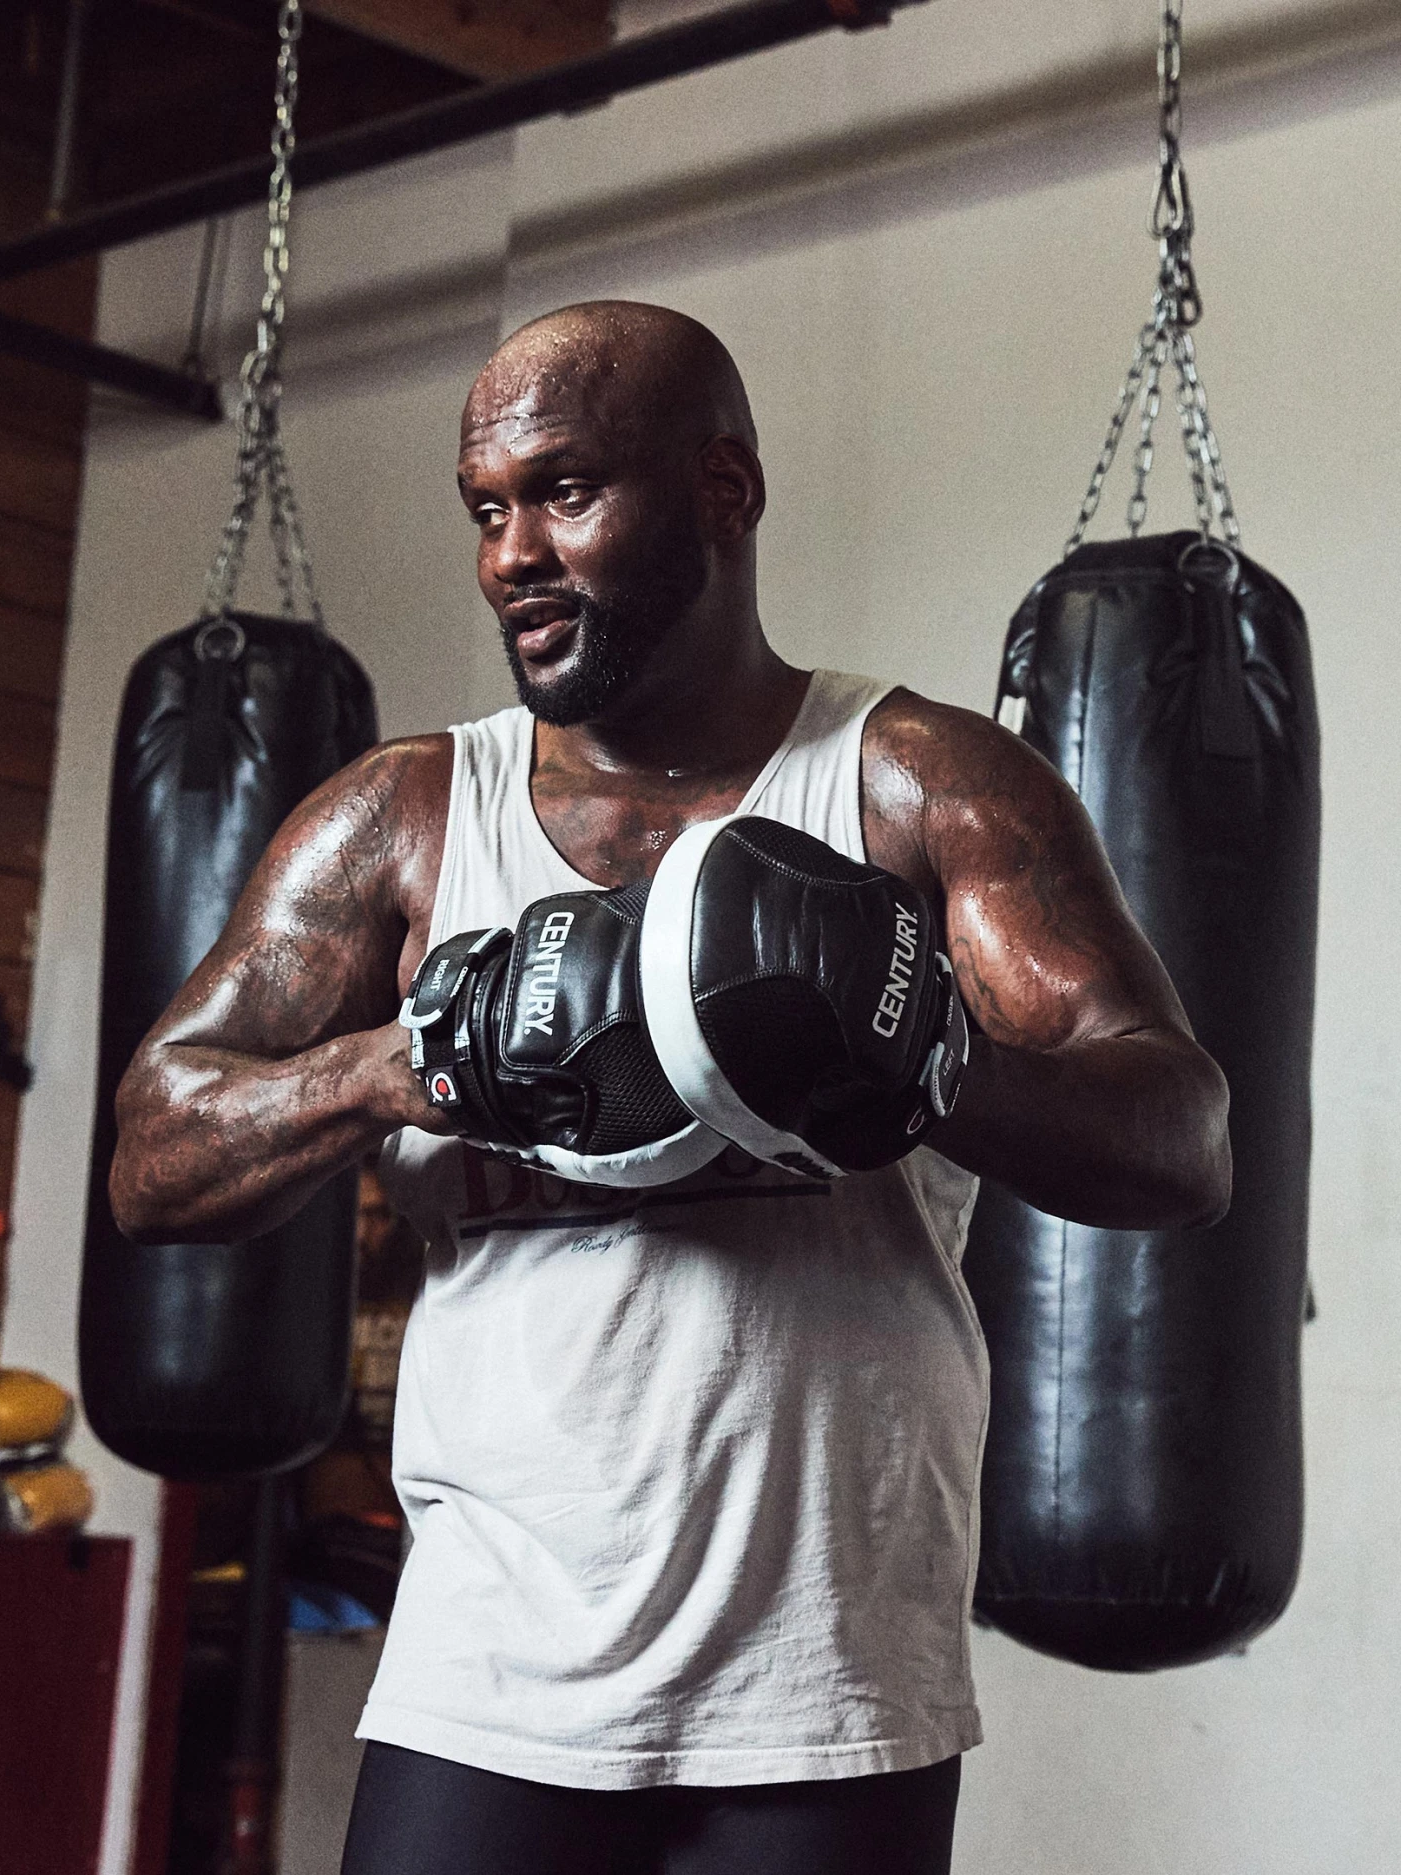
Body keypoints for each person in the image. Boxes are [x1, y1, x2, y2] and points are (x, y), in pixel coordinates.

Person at [111, 301, 1230, 1874]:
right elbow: (155, 1151)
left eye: (565, 491)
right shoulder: (409, 820)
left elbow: (1182, 1134)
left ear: (724, 488)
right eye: (486, 509)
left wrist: (919, 1052)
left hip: (827, 1686)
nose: (513, 554)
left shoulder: (913, 788)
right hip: (489, 1678)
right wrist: (410, 1060)